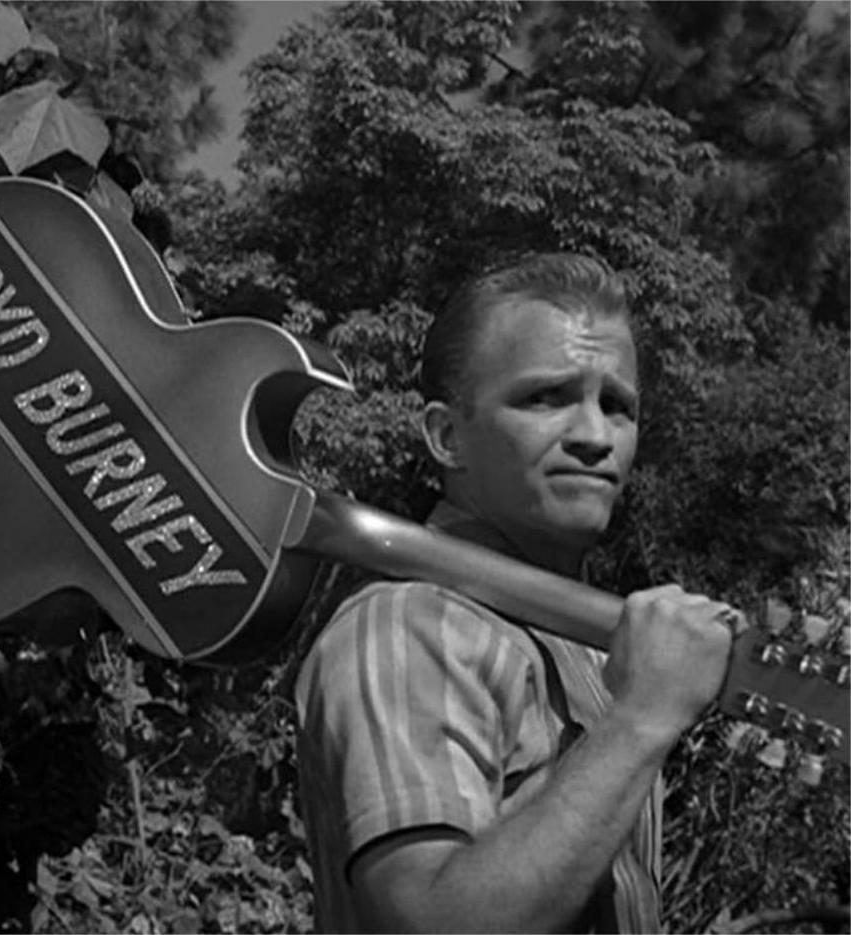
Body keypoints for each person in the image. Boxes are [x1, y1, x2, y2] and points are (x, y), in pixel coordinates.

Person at [293, 253, 739, 933]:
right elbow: (434, 921)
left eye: (617, 406)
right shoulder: (410, 625)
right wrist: (642, 719)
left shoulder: (593, 651)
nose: (595, 437)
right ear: (447, 436)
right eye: (545, 397)